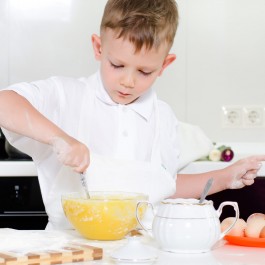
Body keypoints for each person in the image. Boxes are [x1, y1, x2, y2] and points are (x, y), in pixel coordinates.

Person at [0, 0, 264, 229]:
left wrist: (224, 176)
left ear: (165, 64)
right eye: (117, 65)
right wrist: (61, 139)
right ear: (98, 48)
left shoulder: (163, 117)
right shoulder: (67, 96)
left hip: (145, 250)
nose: (128, 81)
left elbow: (163, 187)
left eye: (144, 72)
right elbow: (4, 102)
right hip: (71, 248)